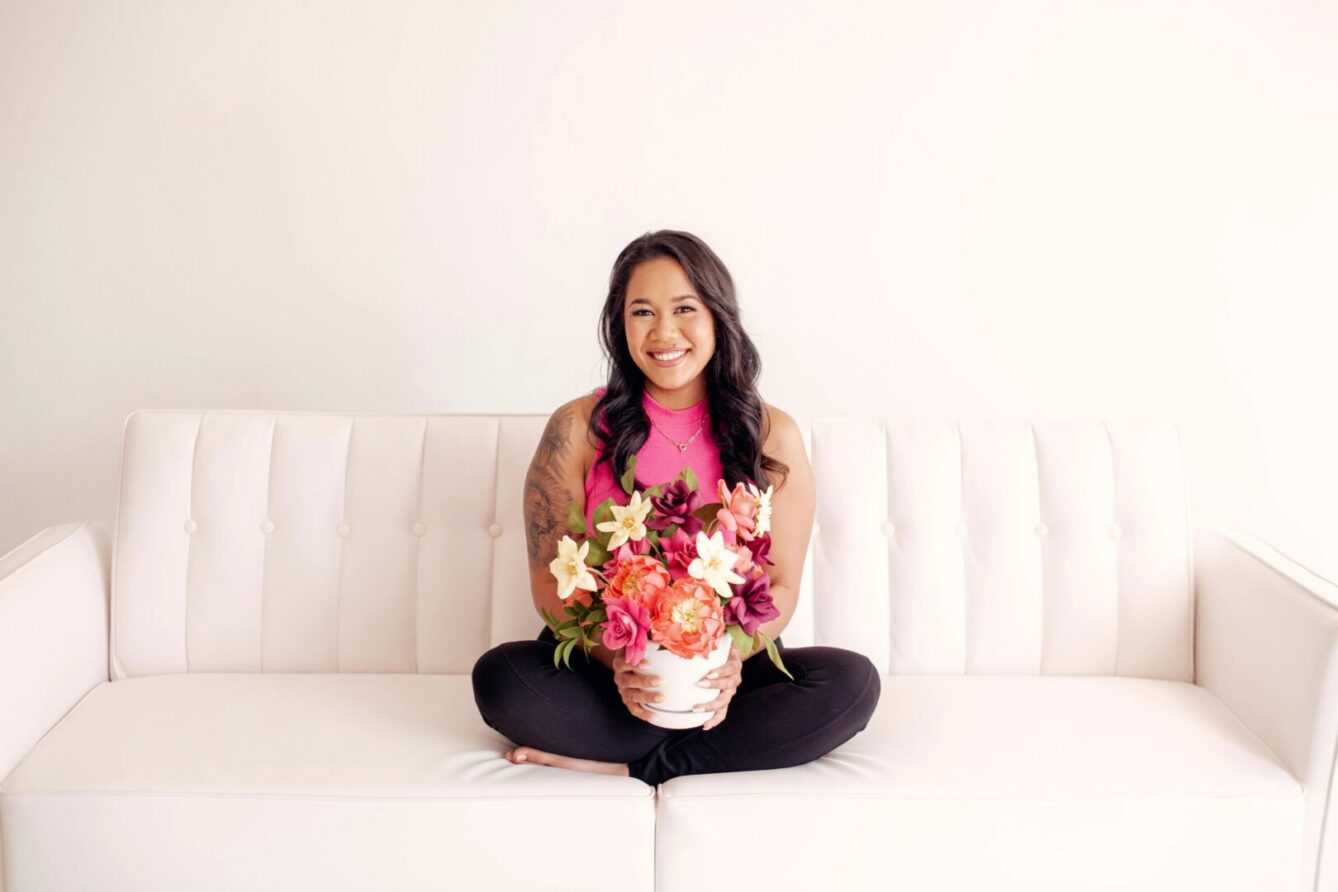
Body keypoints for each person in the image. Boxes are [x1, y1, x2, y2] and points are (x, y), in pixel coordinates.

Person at [470, 229, 880, 785]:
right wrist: (623, 665)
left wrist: (727, 664)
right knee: (501, 678)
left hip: (725, 671)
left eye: (684, 309)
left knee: (852, 683)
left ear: (717, 317)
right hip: (606, 665)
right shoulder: (577, 428)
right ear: (621, 326)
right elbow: (549, 579)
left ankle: (635, 763)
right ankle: (669, 745)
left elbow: (779, 587)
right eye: (642, 312)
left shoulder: (771, 434)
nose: (664, 333)